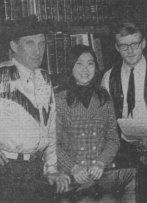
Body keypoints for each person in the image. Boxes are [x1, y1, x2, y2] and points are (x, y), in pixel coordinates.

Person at [0, 23, 70, 202]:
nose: (37, 51)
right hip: (5, 168)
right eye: (30, 43)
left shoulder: (44, 78)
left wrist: (52, 169)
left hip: (36, 170)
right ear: (14, 46)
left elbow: (50, 129)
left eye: (41, 44)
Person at [56, 44, 136, 203]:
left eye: (90, 63)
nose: (85, 69)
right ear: (70, 67)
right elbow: (52, 144)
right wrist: (73, 167)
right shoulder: (59, 99)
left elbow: (113, 139)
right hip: (73, 178)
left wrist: (101, 163)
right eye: (79, 63)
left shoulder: (103, 96)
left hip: (101, 175)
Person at [101, 22, 147, 201]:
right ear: (117, 47)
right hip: (124, 153)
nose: (130, 50)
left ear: (144, 44)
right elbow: (107, 123)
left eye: (135, 44)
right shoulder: (109, 77)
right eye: (124, 46)